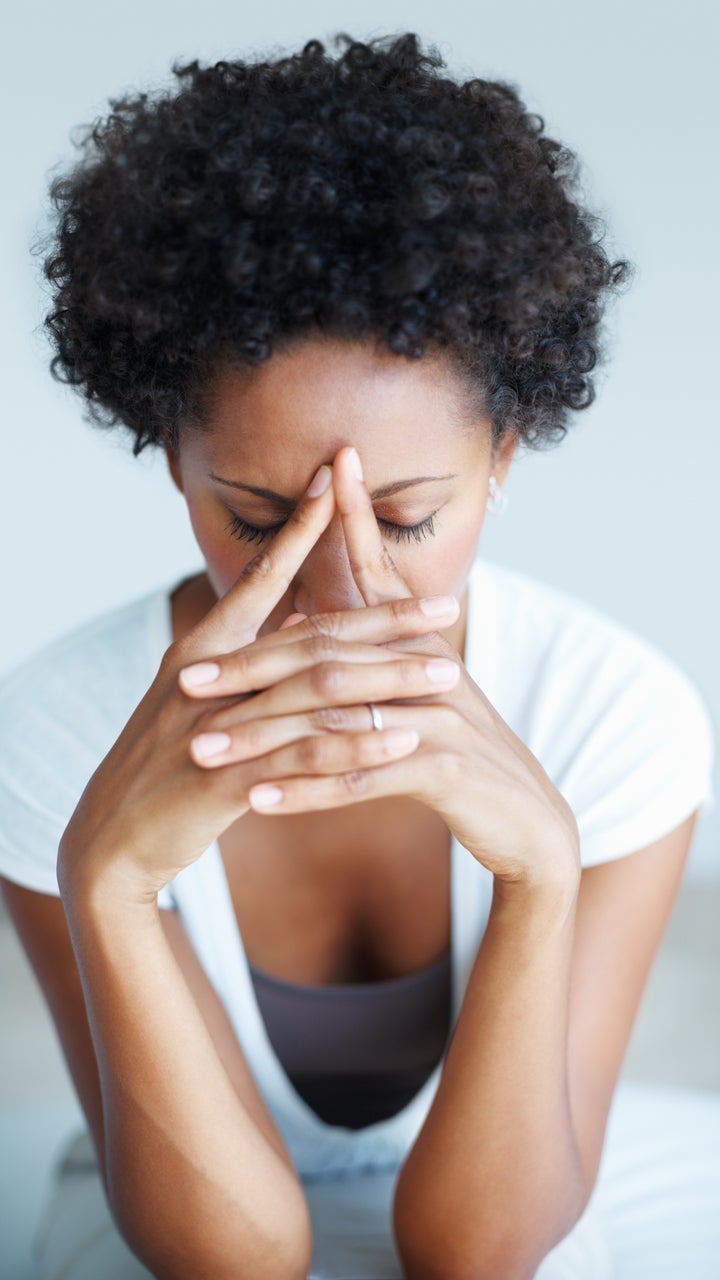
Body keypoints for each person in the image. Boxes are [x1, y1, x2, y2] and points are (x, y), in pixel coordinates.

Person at [0, 30, 717, 1280]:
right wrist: (105, 885)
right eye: (261, 520)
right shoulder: (57, 729)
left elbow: (477, 1251)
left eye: (403, 519)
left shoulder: (614, 711)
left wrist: (541, 872)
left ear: (506, 453)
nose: (334, 594)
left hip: (522, 1191)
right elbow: (230, 1260)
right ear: (169, 453)